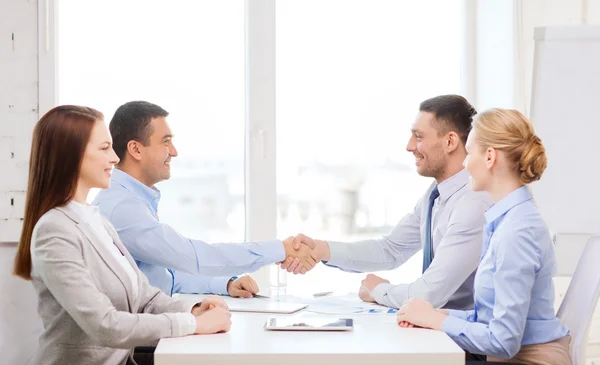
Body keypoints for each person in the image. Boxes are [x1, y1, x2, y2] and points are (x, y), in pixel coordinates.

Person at [13, 105, 233, 365]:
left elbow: (144, 297)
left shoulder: (99, 222)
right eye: (104, 148)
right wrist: (192, 323)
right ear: (72, 155)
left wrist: (193, 308)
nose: (115, 159)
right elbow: (105, 325)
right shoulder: (54, 231)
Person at [396, 108, 571, 365]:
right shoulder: (504, 219)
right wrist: (433, 313)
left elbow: (503, 341)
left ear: (489, 157)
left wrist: (435, 319)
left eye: (469, 153)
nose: (465, 163)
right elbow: (487, 319)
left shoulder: (517, 232)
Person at [283, 95, 491, 310]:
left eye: (418, 137)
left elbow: (429, 295)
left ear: (450, 142)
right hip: (439, 325)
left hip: (465, 335)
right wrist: (320, 249)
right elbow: (391, 249)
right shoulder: (436, 195)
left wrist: (378, 290)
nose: (409, 146)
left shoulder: (473, 201)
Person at [93, 101, 316, 298]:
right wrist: (281, 249)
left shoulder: (128, 199)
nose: (174, 151)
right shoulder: (122, 208)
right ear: (135, 149)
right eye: (166, 142)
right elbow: (194, 257)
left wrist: (226, 284)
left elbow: (163, 276)